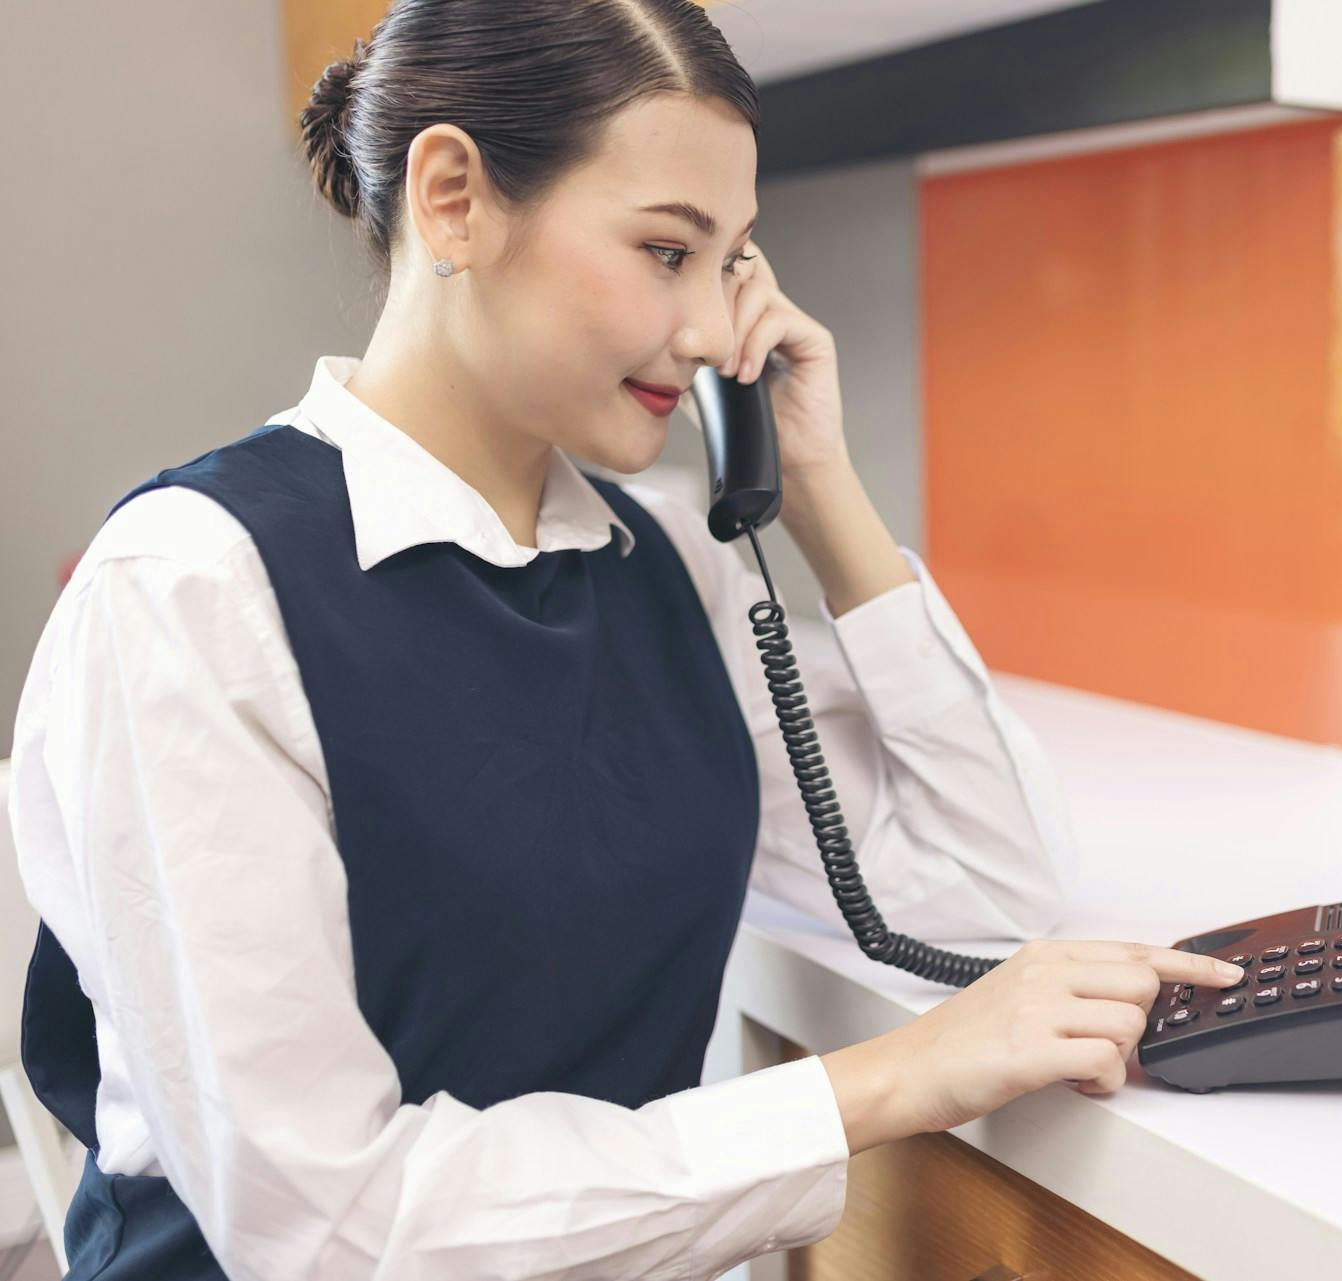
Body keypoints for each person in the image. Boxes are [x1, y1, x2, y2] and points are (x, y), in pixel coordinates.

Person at [8, 2, 1247, 1278]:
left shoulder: (664, 566)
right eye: (668, 252)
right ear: (452, 199)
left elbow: (985, 885)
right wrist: (882, 1084)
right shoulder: (189, 592)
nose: (716, 333)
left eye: (733, 265)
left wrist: (816, 483)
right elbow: (330, 1232)